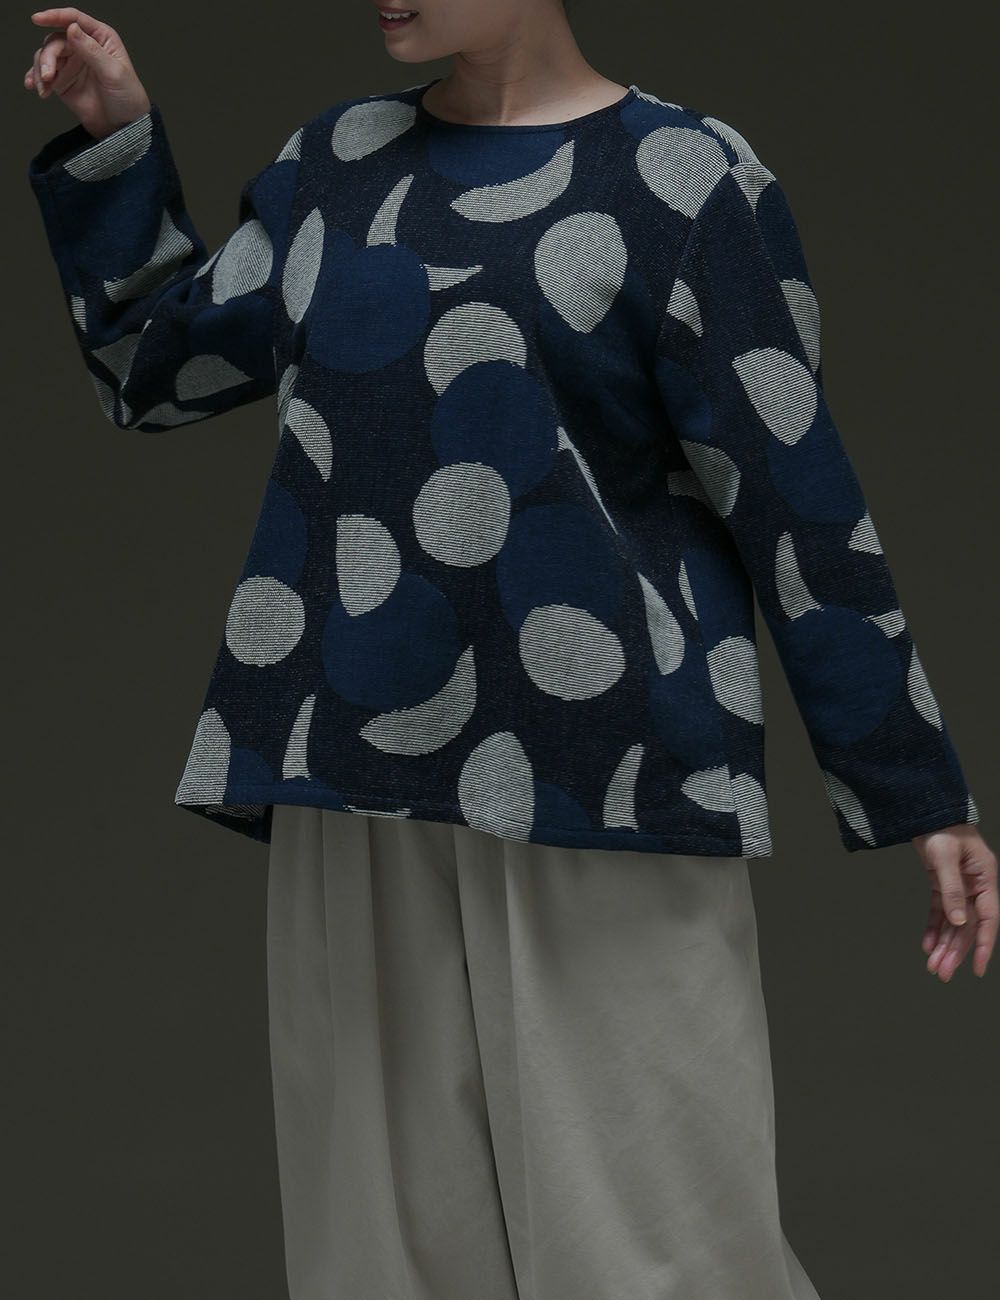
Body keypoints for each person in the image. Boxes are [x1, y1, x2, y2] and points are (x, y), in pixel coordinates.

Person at [25, 4, 997, 1298]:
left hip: (611, 779)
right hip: (352, 771)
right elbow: (156, 365)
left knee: (662, 1261)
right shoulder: (336, 166)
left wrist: (918, 792)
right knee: (377, 1264)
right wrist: (117, 138)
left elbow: (792, 491)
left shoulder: (684, 178)